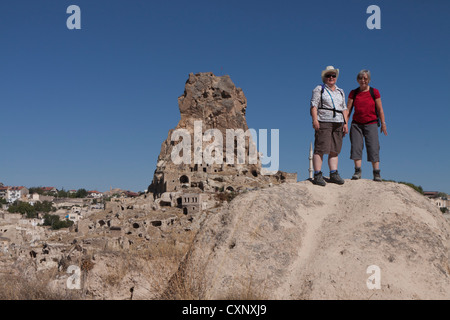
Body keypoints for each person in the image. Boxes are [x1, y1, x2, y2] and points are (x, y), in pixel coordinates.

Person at [310, 66, 348, 186]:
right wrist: (315, 120)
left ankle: (333, 173)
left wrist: (346, 123)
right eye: (328, 75)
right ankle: (317, 174)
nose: (331, 78)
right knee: (321, 148)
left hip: (338, 121)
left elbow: (344, 108)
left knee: (334, 149)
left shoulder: (340, 91)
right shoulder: (319, 89)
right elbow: (314, 105)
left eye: (333, 75)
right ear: (324, 77)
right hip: (324, 120)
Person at [347, 69, 387, 181]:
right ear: (357, 80)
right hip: (356, 124)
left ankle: (376, 173)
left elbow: (380, 109)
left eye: (365, 78)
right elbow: (348, 110)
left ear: (369, 80)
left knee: (373, 147)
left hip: (371, 123)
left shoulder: (375, 92)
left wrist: (383, 123)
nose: (363, 80)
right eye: (360, 78)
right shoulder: (353, 93)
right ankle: (357, 171)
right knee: (356, 146)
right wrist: (344, 123)